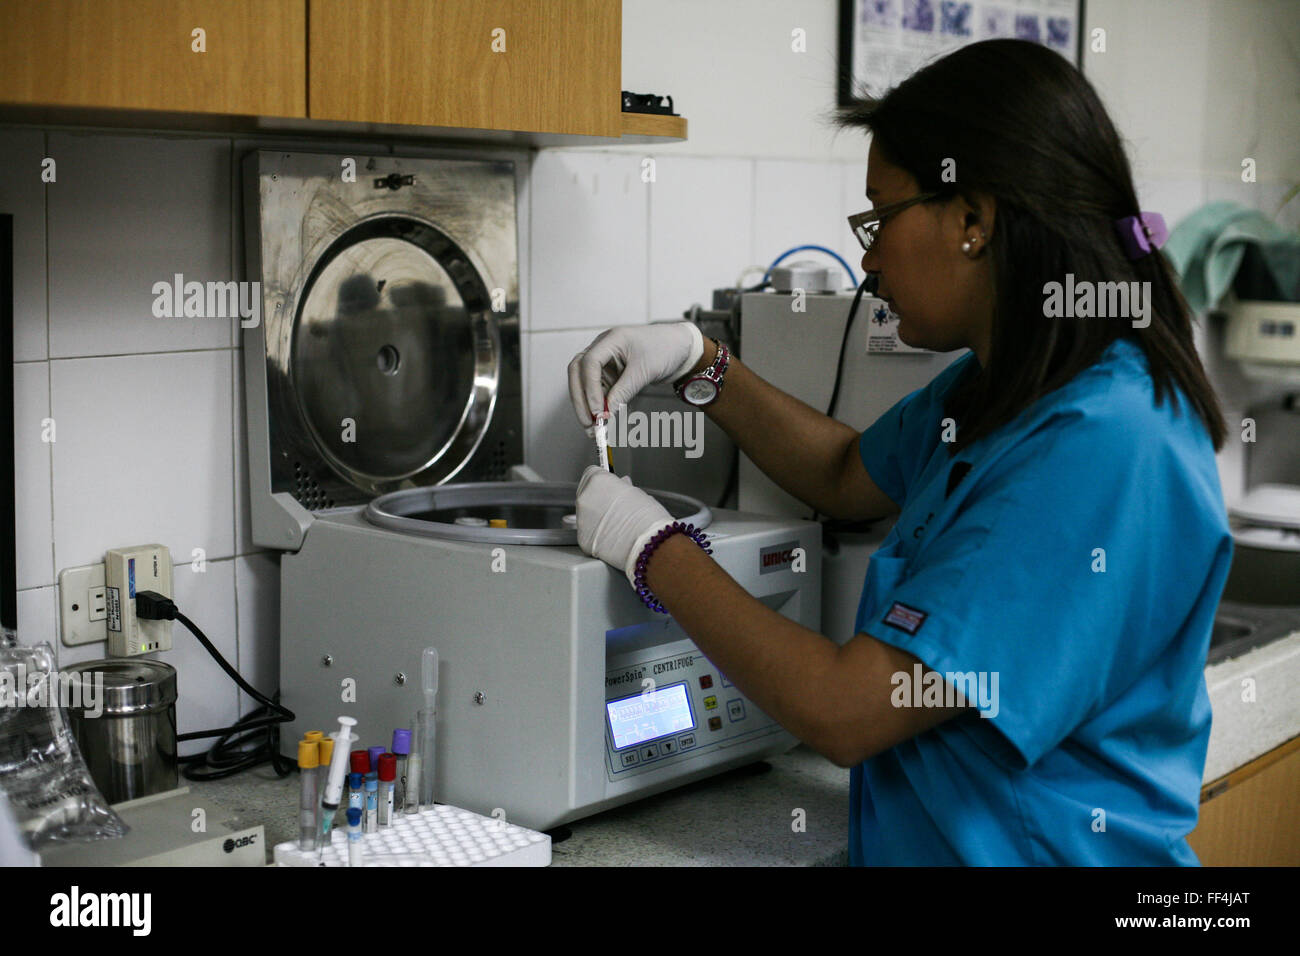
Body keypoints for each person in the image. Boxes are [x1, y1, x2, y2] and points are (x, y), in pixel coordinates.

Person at [566, 38, 1232, 866]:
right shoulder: (1006, 381)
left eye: (881, 219)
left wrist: (653, 548)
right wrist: (700, 364)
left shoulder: (1105, 444)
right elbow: (846, 475)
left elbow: (849, 710)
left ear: (974, 220)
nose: (869, 260)